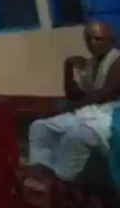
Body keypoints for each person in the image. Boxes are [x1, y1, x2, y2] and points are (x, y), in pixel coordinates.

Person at [28, 21, 120, 184]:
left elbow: (104, 94)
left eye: (98, 39)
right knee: (40, 127)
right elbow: (75, 96)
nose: (92, 43)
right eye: (89, 39)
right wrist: (68, 69)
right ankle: (40, 172)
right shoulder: (91, 64)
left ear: (110, 40)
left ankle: (61, 180)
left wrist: (65, 109)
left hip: (112, 114)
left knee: (77, 134)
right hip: (90, 112)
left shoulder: (117, 61)